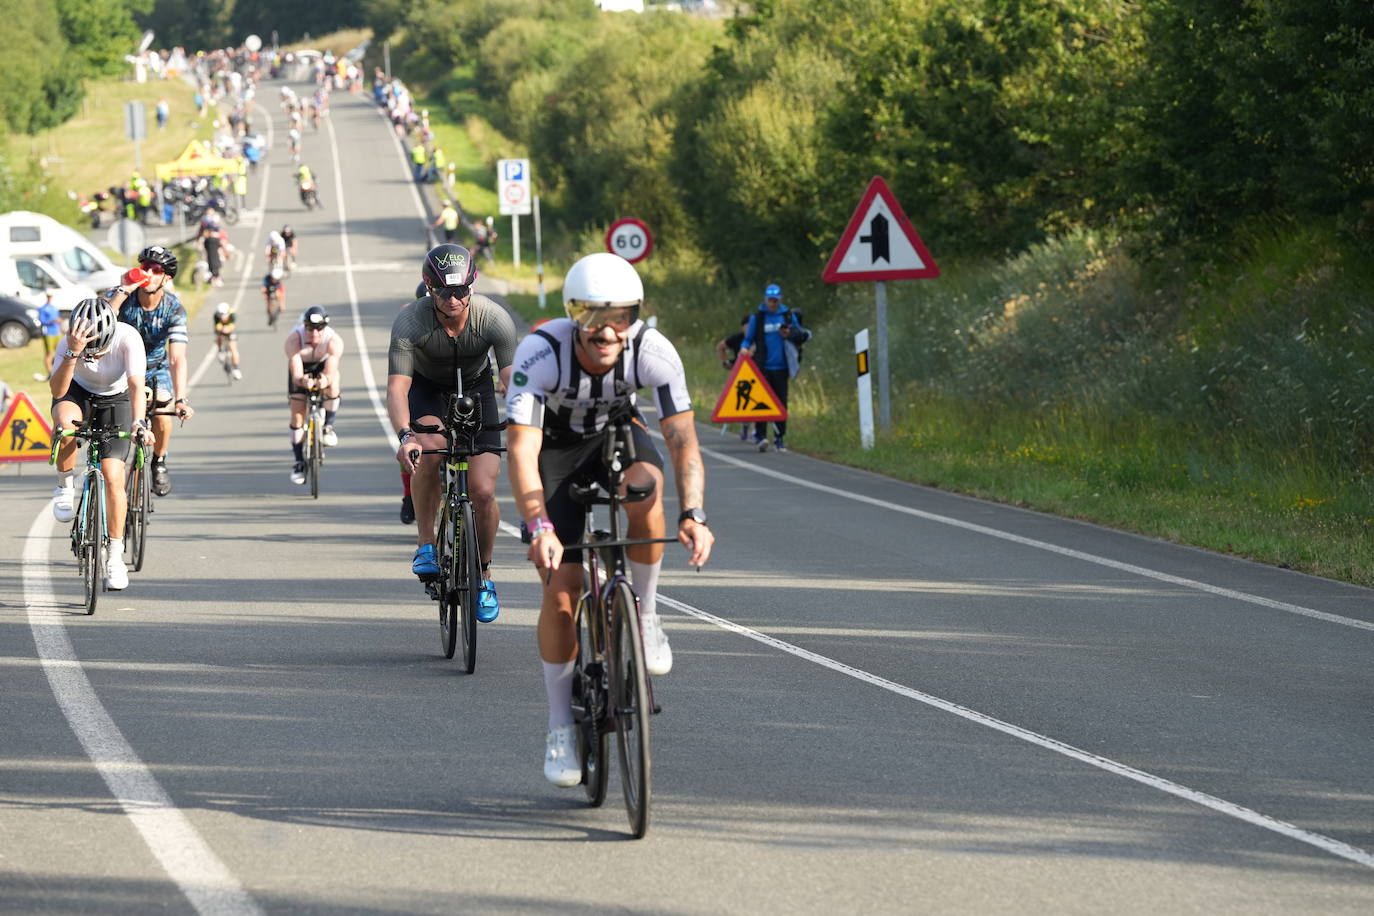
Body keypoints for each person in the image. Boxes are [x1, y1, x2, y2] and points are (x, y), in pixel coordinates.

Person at [505, 252, 714, 786]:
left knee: (647, 489)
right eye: (593, 317)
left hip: (615, 433)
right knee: (560, 590)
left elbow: (682, 439)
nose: (606, 331)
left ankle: (643, 616)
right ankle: (559, 727)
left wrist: (693, 513)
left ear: (634, 317)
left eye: (619, 316)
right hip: (553, 448)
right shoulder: (541, 353)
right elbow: (522, 450)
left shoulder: (652, 350)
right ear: (573, 315)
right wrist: (539, 526)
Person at [389, 244, 518, 620]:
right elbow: (397, 388)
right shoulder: (410, 322)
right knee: (427, 451)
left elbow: (512, 379)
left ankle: (485, 573)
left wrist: (529, 418)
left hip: (477, 388)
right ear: (429, 288)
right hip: (427, 390)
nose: (454, 299)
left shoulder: (494, 318)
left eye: (461, 290)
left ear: (472, 286)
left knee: (483, 489)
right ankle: (426, 544)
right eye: (444, 292)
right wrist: (403, 436)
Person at [48, 298, 150, 590]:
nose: (93, 358)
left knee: (113, 475)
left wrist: (139, 423)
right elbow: (57, 389)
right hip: (76, 391)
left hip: (116, 398)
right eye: (88, 354)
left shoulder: (128, 338)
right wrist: (73, 353)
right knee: (65, 427)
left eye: (98, 352)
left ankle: (115, 557)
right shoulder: (67, 344)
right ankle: (65, 486)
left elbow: (135, 386)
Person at [107, 247, 194, 496]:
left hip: (155, 368)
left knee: (163, 412)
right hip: (121, 367)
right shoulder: (125, 298)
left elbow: (177, 357)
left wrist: (181, 399)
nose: (149, 274)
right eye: (145, 267)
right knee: (120, 420)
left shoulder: (173, 308)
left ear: (167, 278)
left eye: (156, 271)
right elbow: (103, 320)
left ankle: (159, 461)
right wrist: (123, 290)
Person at [738, 283, 811, 452]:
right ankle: (761, 436)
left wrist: (789, 333)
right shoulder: (758, 317)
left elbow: (799, 333)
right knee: (761, 403)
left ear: (780, 299)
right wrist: (744, 348)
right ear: (765, 299)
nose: (773, 303)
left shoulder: (786, 316)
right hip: (762, 366)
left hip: (782, 366)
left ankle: (779, 438)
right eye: (770, 300)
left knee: (780, 403)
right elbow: (748, 339)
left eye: (776, 300)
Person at [285, 305, 344, 483]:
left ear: (325, 328)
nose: (314, 334)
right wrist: (303, 381)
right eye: (310, 329)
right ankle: (298, 462)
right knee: (297, 415)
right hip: (301, 369)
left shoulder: (334, 340)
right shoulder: (294, 339)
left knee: (333, 385)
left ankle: (327, 426)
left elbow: (332, 368)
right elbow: (295, 373)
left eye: (319, 329)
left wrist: (324, 381)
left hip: (323, 366)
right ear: (304, 327)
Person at [715, 314, 753, 441]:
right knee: (742, 401)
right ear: (742, 327)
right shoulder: (738, 338)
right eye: (747, 326)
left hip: (758, 374)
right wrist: (725, 362)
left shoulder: (759, 338)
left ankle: (757, 431)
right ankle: (745, 427)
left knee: (756, 402)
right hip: (741, 374)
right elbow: (721, 346)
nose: (749, 329)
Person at [37, 292, 64, 378]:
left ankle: (57, 371)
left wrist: (60, 324)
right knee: (49, 353)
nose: (50, 297)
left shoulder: (54, 308)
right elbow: (42, 321)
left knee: (60, 352)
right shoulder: (43, 308)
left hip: (57, 332)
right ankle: (50, 373)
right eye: (49, 296)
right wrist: (52, 321)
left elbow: (58, 319)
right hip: (49, 333)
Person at [213, 302, 242, 379]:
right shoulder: (216, 315)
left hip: (230, 328)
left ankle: (236, 368)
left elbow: (232, 326)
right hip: (221, 327)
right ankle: (220, 350)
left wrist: (228, 329)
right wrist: (220, 329)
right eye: (221, 316)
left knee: (233, 348)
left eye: (224, 316)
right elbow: (217, 326)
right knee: (218, 337)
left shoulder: (232, 314)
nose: (223, 318)